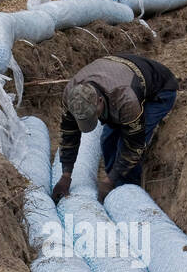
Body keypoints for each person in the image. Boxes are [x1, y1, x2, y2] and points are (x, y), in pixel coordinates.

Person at [51, 52, 178, 203]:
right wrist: (66, 176)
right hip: (118, 75)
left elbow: (133, 146)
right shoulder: (71, 95)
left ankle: (128, 193)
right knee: (107, 140)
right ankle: (113, 187)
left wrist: (109, 181)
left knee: (126, 142)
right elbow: (69, 136)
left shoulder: (126, 99)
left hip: (159, 91)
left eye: (93, 116)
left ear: (99, 101)